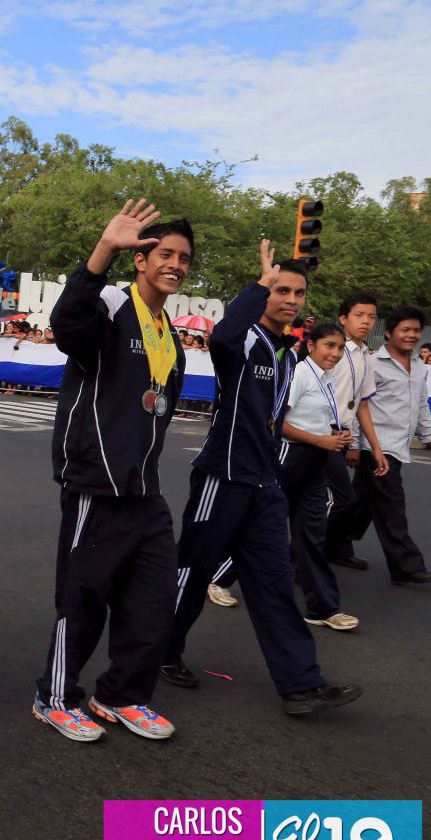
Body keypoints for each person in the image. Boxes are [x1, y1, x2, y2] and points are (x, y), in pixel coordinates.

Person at [160, 241, 361, 715]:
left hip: (265, 484)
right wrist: (260, 282)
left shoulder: (288, 355)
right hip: (222, 477)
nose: (291, 299)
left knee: (273, 582)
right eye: (281, 289)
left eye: (298, 292)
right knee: (191, 572)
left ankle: (301, 686)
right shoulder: (245, 338)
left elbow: (270, 419)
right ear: (265, 293)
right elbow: (223, 337)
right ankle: (158, 652)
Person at [32, 200, 186, 744]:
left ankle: (122, 695)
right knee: (83, 597)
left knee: (153, 599)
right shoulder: (112, 305)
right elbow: (67, 324)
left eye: (184, 257)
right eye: (164, 253)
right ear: (141, 258)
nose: (175, 264)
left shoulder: (168, 332)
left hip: (144, 490)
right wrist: (102, 250)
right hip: (96, 484)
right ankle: (54, 696)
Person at [279, 323, 359, 630]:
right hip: (291, 458)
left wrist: (336, 433)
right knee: (262, 524)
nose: (335, 354)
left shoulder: (325, 378)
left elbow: (316, 421)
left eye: (339, 348)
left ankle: (323, 608)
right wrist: (321, 440)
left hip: (315, 460)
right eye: (329, 346)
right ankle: (217, 576)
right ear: (311, 345)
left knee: (311, 534)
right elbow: (277, 423)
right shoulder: (299, 374)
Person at [343, 306, 431, 585]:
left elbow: (420, 406)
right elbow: (359, 405)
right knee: (391, 504)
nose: (412, 335)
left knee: (360, 504)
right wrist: (355, 444)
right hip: (377, 447)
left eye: (416, 330)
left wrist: (429, 436)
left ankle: (331, 544)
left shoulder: (419, 365)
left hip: (400, 445)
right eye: (405, 330)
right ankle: (406, 566)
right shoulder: (373, 363)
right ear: (390, 334)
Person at [324, 294, 386, 570]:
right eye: (359, 315)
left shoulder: (366, 357)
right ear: (343, 318)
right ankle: (306, 556)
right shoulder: (333, 350)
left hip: (342, 436)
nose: (366, 321)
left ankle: (325, 552)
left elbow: (362, 405)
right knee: (336, 500)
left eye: (371, 316)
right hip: (320, 434)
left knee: (338, 500)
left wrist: (372, 446)